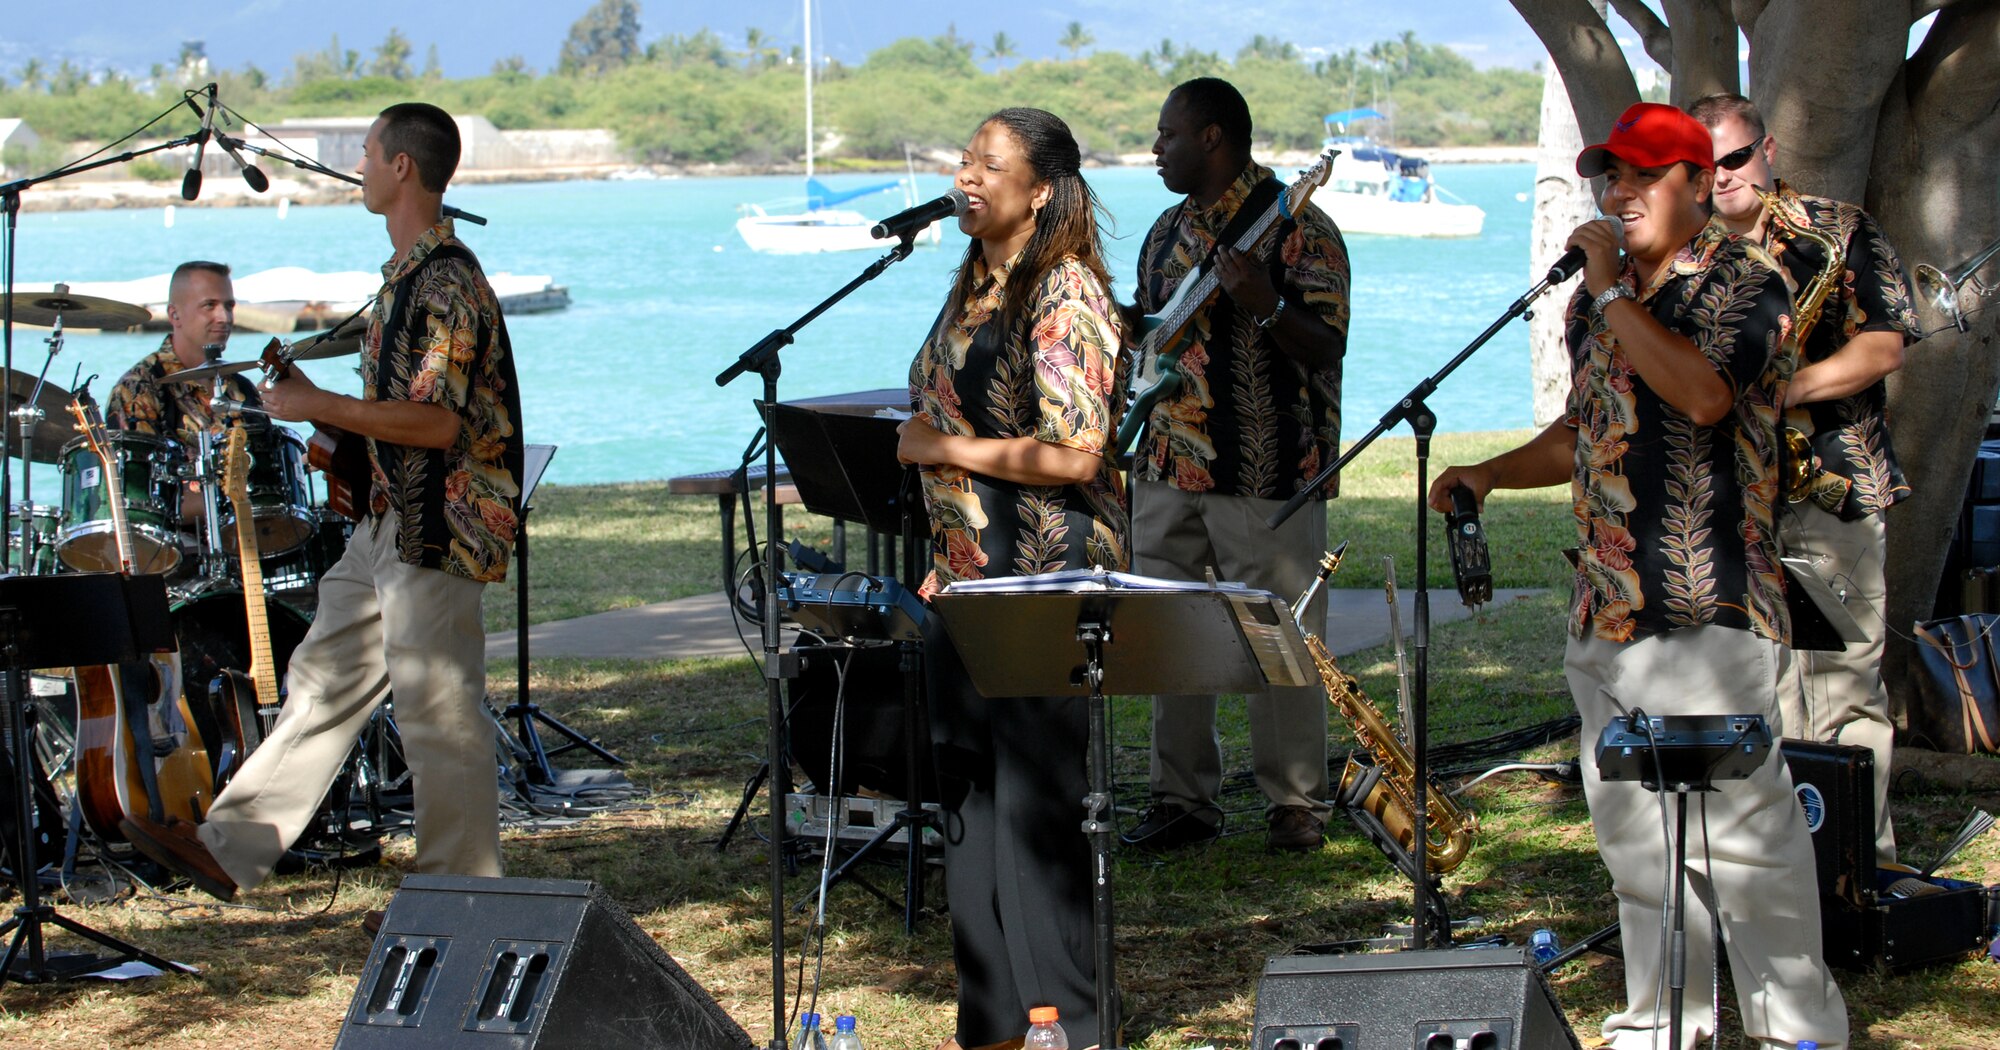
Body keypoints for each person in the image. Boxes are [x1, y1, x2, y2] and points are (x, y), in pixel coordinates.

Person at [1427, 102, 1847, 1049]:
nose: (1618, 194)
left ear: (1699, 185)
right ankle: (1661, 1027)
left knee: (1748, 848)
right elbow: (1588, 429)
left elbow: (1700, 395)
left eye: (1642, 176)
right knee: (1636, 848)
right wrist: (1492, 473)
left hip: (1703, 604)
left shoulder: (1745, 283)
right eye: (1609, 176)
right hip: (1607, 607)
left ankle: (1798, 1035)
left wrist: (1617, 293)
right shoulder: (1597, 304)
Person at [120, 102, 524, 922]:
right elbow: (402, 416)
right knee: (322, 680)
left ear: (402, 167)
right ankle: (234, 848)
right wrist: (339, 445)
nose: (361, 166)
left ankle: (461, 897)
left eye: (370, 153)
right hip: (389, 519)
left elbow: (440, 424)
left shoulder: (444, 283)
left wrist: (322, 405)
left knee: (437, 709)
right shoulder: (403, 280)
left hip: (440, 526)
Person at [898, 107, 1125, 1050]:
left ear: (1041, 189)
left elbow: (1076, 456)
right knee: (968, 803)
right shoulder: (974, 287)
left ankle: (1066, 1022)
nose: (968, 176)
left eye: (991, 165)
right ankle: (990, 1018)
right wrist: (943, 549)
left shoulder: (1064, 290)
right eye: (965, 160)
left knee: (1035, 809)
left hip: (1045, 578)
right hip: (967, 582)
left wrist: (943, 446)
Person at [1119, 77, 1349, 853]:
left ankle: (1295, 803)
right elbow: (1150, 334)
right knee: (1169, 632)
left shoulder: (1299, 227)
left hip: (1267, 470)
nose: (1156, 150)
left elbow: (1327, 346)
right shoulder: (1162, 232)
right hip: (1165, 466)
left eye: (1167, 135)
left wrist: (1267, 305)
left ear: (1212, 138)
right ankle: (1182, 797)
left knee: (1278, 636)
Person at [1691, 92, 1920, 866]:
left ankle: (1862, 864)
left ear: (1769, 150)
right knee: (1757, 689)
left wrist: (1781, 391)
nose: (1723, 178)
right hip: (1730, 499)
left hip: (1829, 482)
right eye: (1705, 164)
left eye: (1736, 159)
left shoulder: (1837, 230)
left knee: (1843, 685)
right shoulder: (1687, 253)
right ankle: (1780, 868)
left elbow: (1885, 345)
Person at [106, 260, 262, 530]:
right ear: (174, 314)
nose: (224, 317)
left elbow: (267, 473)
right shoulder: (138, 389)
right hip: (177, 548)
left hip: (251, 533)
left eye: (229, 306)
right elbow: (137, 500)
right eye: (209, 305)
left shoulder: (241, 387)